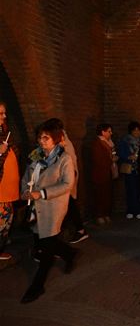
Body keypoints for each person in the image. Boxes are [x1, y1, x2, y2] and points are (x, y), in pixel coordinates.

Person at [20, 122, 77, 303]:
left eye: (46, 138)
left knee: (47, 246)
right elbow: (27, 176)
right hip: (36, 206)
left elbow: (67, 183)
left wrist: (43, 193)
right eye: (40, 137)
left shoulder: (64, 158)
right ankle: (69, 254)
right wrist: (24, 191)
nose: (41, 141)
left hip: (53, 207)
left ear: (56, 139)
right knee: (45, 241)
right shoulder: (35, 155)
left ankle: (37, 285)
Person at [44, 118, 89, 244]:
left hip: (64, 180)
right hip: (63, 180)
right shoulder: (61, 140)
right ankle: (75, 231)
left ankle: (75, 232)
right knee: (69, 205)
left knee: (69, 206)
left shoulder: (62, 142)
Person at [0, 102, 19, 260]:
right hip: (1, 189)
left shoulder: (4, 132)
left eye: (4, 113)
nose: (4, 116)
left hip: (8, 188)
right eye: (1, 113)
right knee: (3, 220)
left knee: (7, 219)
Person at [91, 123, 117, 225]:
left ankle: (106, 213)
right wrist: (111, 160)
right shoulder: (97, 143)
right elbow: (98, 160)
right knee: (100, 194)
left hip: (108, 172)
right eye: (109, 131)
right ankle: (99, 215)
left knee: (107, 194)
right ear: (103, 132)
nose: (111, 133)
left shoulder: (109, 142)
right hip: (100, 174)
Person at [118, 121, 140, 220]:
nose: (137, 132)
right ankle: (130, 210)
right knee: (130, 190)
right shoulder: (125, 141)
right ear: (131, 131)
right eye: (135, 130)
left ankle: (139, 210)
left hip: (139, 169)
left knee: (139, 190)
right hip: (130, 168)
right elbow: (121, 153)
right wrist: (129, 157)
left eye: (138, 130)